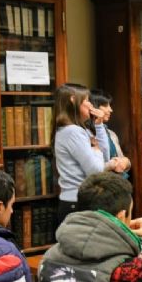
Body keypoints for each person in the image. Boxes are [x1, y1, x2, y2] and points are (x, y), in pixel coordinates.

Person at [53, 83, 127, 225]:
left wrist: (99, 125)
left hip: (78, 200)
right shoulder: (73, 131)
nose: (90, 105)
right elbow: (96, 170)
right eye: (87, 100)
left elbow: (104, 156)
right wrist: (104, 157)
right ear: (73, 100)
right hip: (76, 201)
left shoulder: (79, 130)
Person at [90, 89, 131, 179]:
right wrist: (111, 165)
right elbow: (91, 169)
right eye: (105, 105)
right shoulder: (86, 134)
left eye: (110, 105)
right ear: (93, 107)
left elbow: (121, 158)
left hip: (118, 182)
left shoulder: (111, 133)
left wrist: (126, 162)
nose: (110, 110)